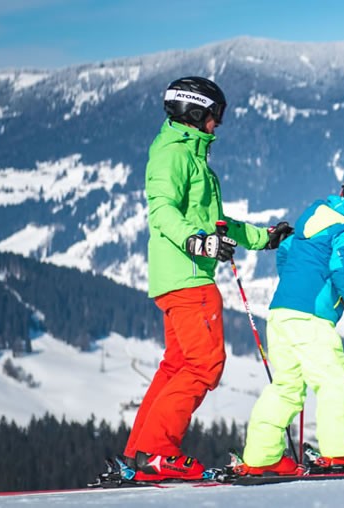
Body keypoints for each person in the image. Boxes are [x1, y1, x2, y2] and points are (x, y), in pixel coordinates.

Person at [122, 76, 294, 481]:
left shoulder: (190, 155)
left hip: (178, 276)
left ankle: (140, 453)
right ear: (195, 112)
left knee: (176, 365)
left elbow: (215, 223)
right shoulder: (174, 156)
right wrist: (198, 243)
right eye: (214, 116)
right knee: (205, 364)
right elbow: (162, 212)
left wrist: (262, 238)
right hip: (188, 278)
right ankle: (158, 451)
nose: (217, 125)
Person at [235, 171, 344, 476]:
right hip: (311, 319)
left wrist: (299, 286)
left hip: (282, 313)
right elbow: (341, 267)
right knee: (333, 381)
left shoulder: (314, 218)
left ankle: (261, 457)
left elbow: (285, 252)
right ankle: (340, 453)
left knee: (286, 387)